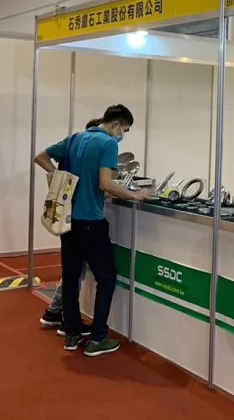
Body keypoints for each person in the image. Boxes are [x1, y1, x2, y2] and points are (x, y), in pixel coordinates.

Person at [33, 105, 151, 357]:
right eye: (124, 130)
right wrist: (135, 195)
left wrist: (58, 177)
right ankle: (98, 337)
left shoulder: (75, 138)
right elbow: (105, 183)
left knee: (71, 277)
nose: (122, 135)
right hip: (91, 221)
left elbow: (40, 157)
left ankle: (72, 333)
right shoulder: (107, 144)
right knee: (106, 278)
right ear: (116, 124)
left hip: (68, 222)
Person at [40, 117, 103, 331]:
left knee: (72, 270)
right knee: (76, 272)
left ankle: (55, 313)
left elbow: (40, 157)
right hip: (83, 219)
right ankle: (66, 319)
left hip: (66, 216)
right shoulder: (93, 150)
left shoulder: (71, 146)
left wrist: (57, 175)